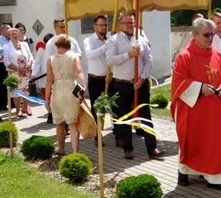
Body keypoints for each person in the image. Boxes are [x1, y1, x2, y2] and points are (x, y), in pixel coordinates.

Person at [172, 18, 221, 191]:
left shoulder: (217, 55)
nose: (210, 38)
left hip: (216, 108)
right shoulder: (184, 56)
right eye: (206, 34)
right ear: (194, 34)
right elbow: (178, 81)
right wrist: (199, 88)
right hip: (194, 108)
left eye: (212, 34)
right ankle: (184, 171)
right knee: (194, 141)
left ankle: (215, 179)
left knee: (216, 141)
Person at [105, 12, 162, 160]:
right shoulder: (113, 41)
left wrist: (142, 78)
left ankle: (152, 147)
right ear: (120, 25)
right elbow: (110, 60)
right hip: (122, 84)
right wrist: (129, 55)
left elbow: (148, 61)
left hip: (140, 84)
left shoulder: (141, 39)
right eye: (126, 23)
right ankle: (128, 148)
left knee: (146, 114)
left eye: (132, 22)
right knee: (125, 117)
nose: (129, 25)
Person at [45, 34, 85, 155]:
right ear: (69, 44)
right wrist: (83, 87)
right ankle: (75, 152)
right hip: (71, 91)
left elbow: (49, 80)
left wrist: (47, 98)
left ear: (56, 45)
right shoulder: (74, 57)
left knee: (59, 123)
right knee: (73, 124)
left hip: (56, 92)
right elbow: (79, 73)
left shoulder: (51, 59)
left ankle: (61, 149)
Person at [84, 15, 111, 146]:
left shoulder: (110, 40)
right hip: (95, 79)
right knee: (97, 108)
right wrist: (106, 46)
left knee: (112, 107)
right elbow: (90, 55)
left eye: (106, 25)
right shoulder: (89, 40)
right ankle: (97, 135)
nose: (104, 28)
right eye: (101, 25)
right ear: (95, 26)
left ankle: (118, 134)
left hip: (109, 79)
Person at [3, 27, 33, 117]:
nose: (15, 35)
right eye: (13, 34)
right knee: (15, 92)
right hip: (14, 72)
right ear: (9, 36)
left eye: (16, 33)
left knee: (26, 90)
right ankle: (17, 110)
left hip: (25, 72)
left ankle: (26, 107)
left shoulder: (24, 44)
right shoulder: (6, 46)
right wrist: (18, 69)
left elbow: (31, 56)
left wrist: (28, 64)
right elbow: (6, 62)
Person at [31, 33, 53, 101]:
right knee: (46, 95)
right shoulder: (41, 50)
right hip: (44, 76)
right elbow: (37, 63)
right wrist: (34, 75)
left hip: (54, 76)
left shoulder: (56, 49)